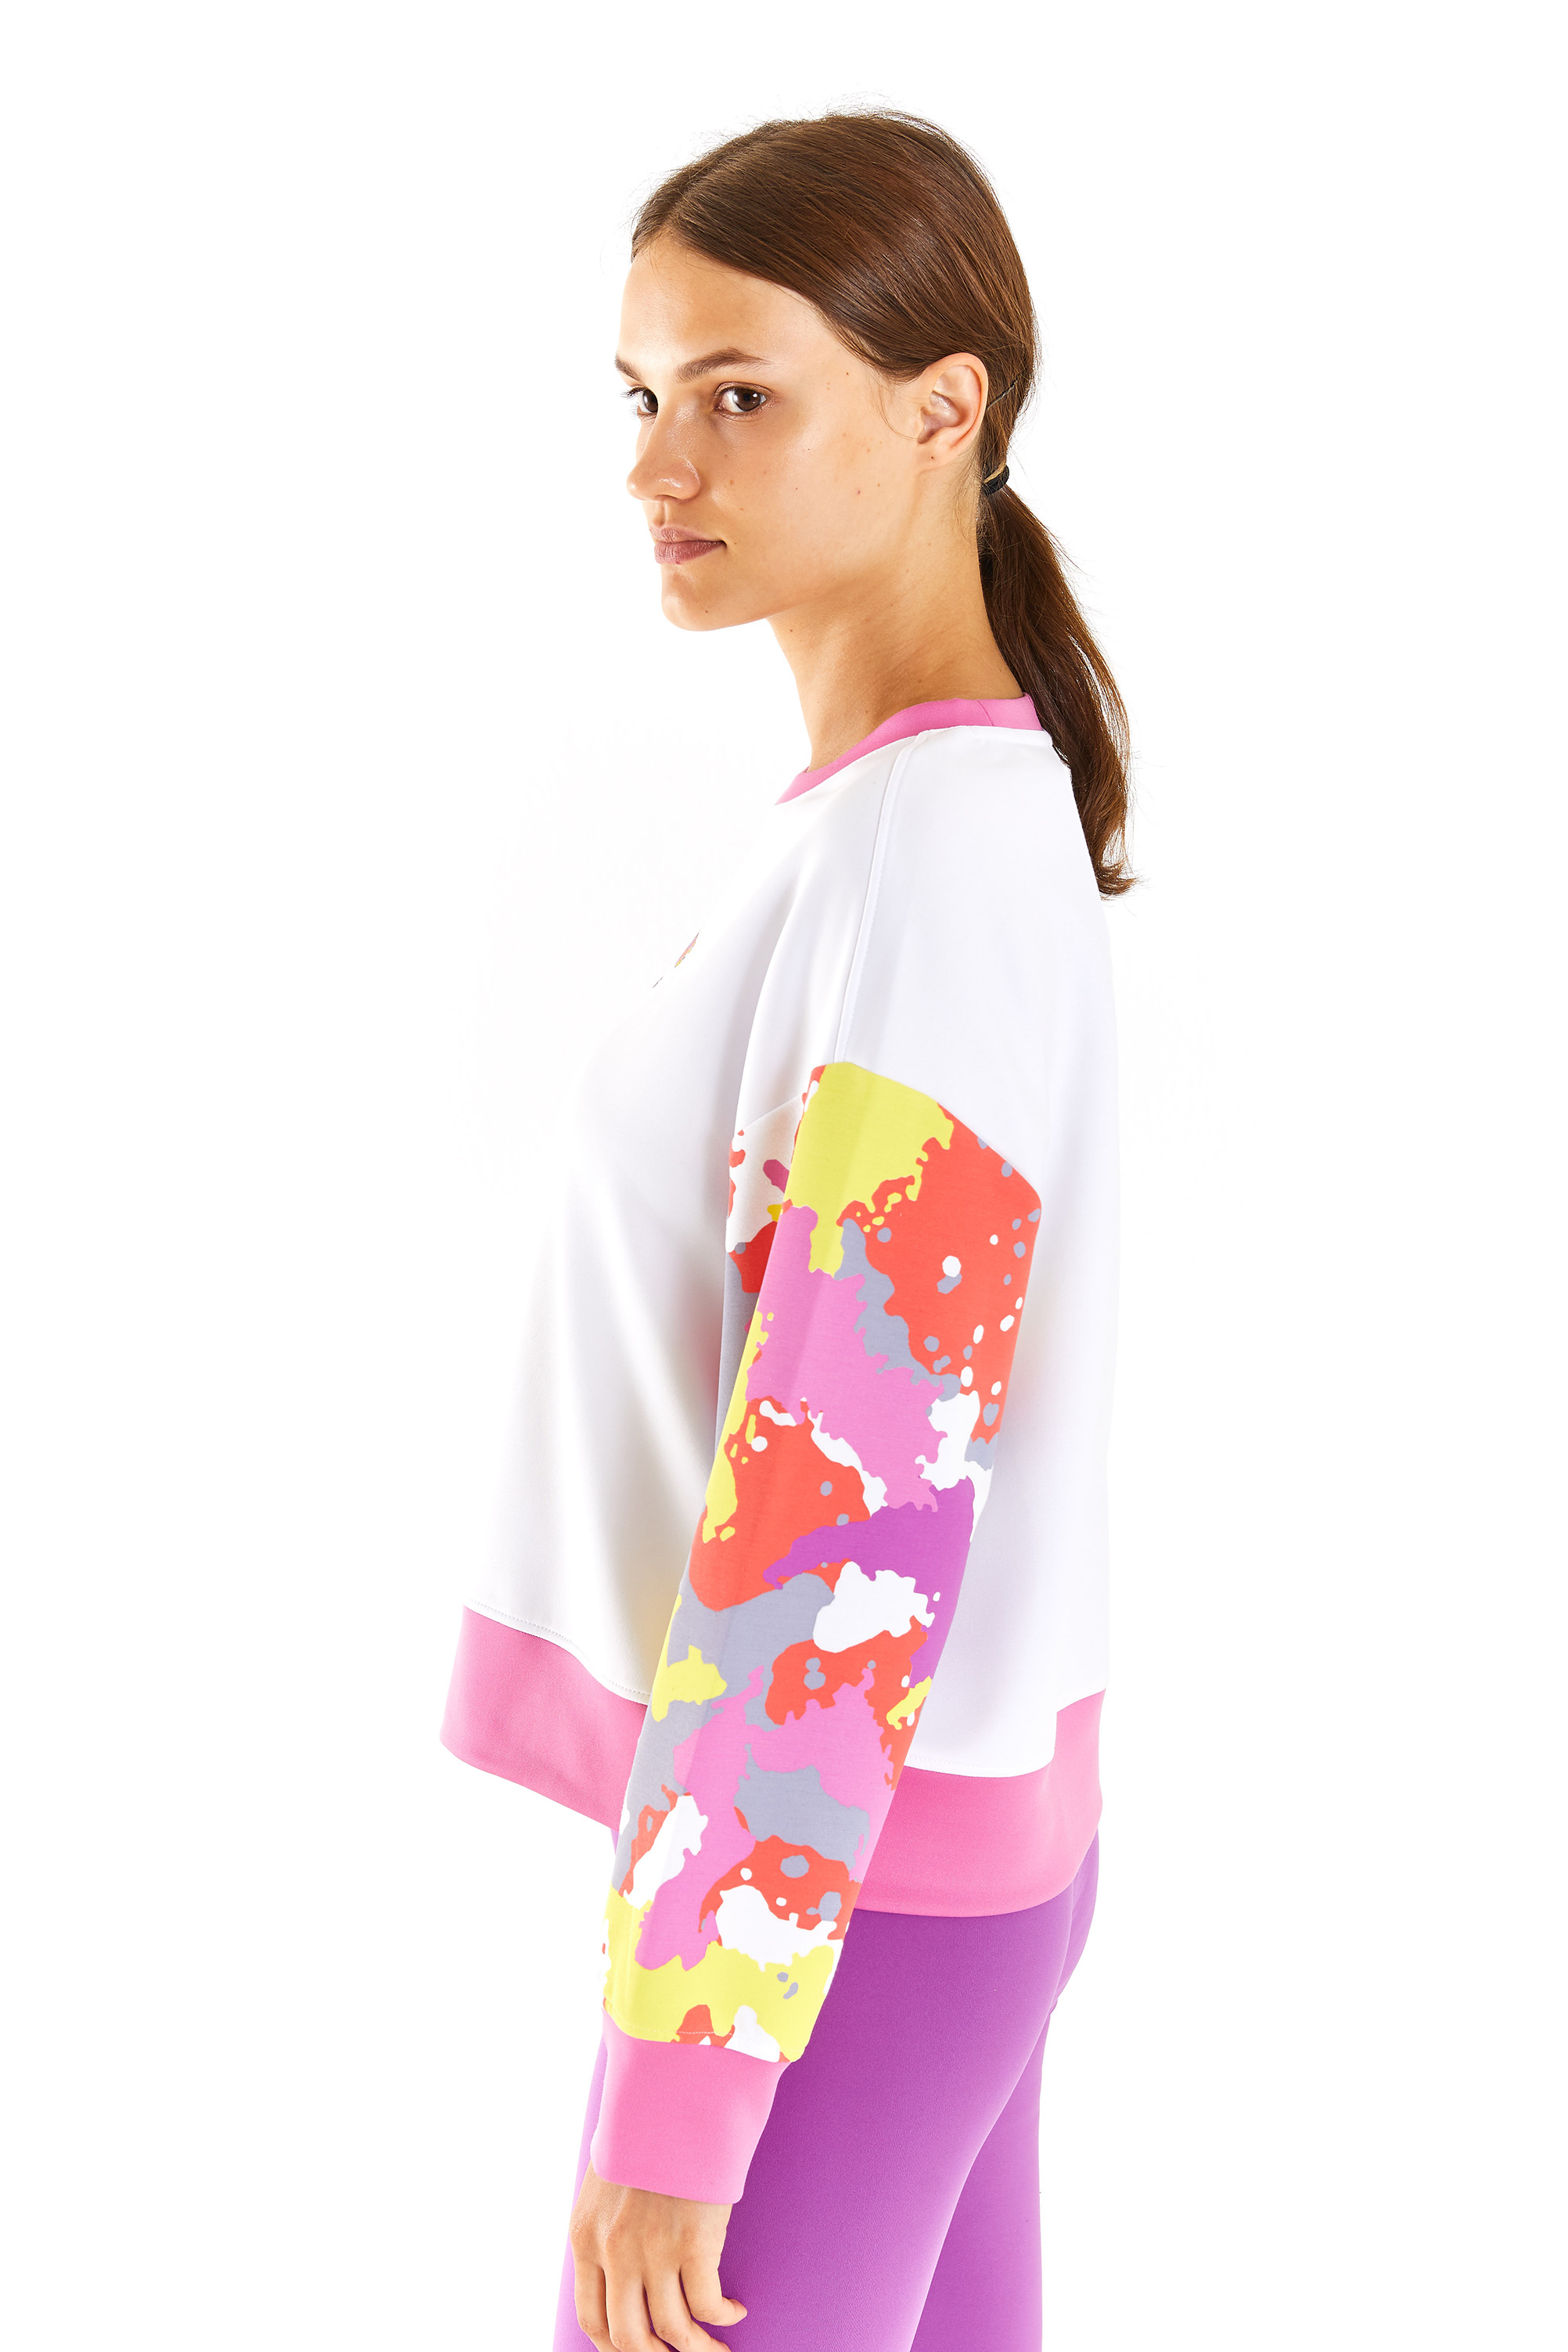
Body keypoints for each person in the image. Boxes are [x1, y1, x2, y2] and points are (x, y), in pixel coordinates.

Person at [441, 109, 1129, 2352]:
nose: (661, 464)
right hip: (907, 1871)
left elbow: (847, 1502)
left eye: (739, 395)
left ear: (946, 410)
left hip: (833, 1909)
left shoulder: (928, 854)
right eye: (644, 393)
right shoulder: (900, 823)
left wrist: (683, 2075)